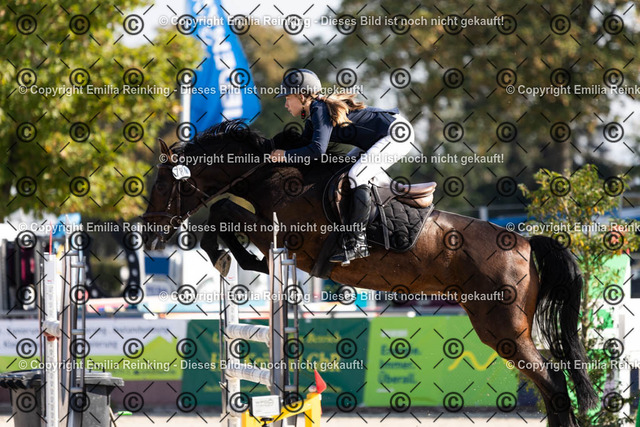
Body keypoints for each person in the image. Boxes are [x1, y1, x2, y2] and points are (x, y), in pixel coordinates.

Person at [270, 69, 415, 265]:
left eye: (288, 98)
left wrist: (285, 155)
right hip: (377, 139)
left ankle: (358, 242)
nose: (285, 104)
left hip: (396, 134)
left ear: (302, 96)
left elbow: (317, 151)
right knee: (342, 171)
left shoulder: (319, 109)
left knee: (356, 176)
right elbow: (305, 152)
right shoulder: (313, 115)